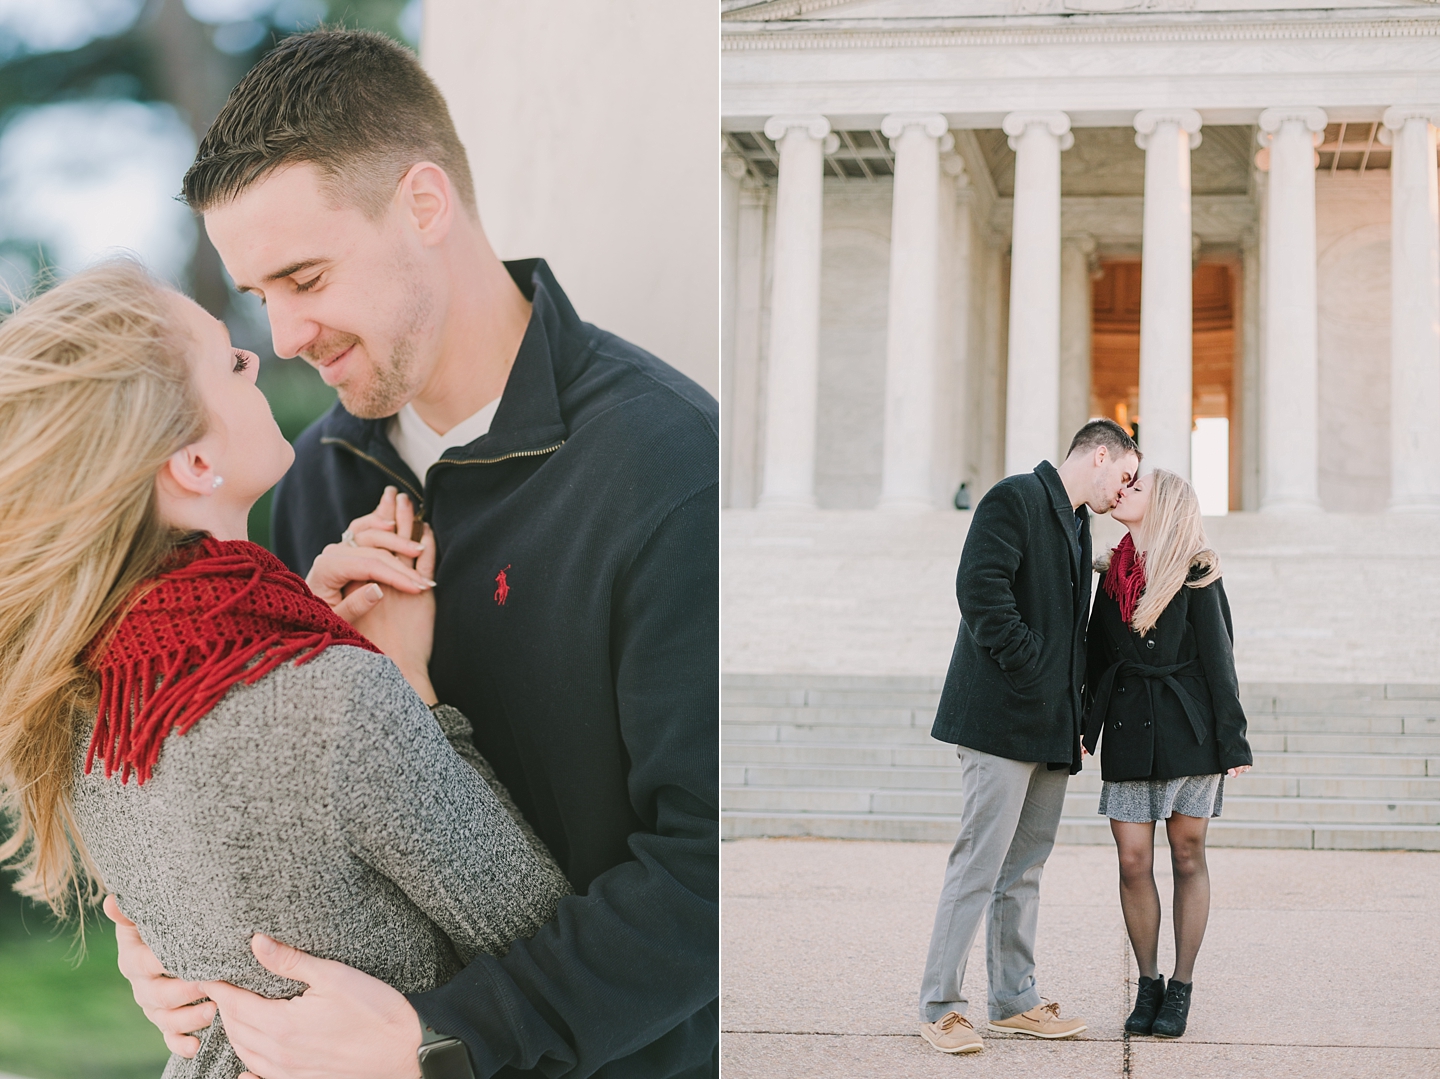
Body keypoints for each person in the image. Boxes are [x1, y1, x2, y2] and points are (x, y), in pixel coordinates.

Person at [109, 29, 719, 1079]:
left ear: (424, 205)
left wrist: (445, 1038)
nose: (287, 334)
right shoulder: (313, 481)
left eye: (304, 275)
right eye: (261, 296)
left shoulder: (668, 467)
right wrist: (174, 946)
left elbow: (707, 871)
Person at [0, 260, 572, 1079]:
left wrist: (306, 624)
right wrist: (405, 676)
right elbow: (533, 932)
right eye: (229, 360)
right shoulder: (332, 700)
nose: (259, 357)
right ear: (194, 464)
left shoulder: (88, 698)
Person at [918, 419, 1140, 1056]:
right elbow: (979, 591)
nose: (1122, 491)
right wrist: (1032, 668)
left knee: (1025, 868)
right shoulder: (1013, 498)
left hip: (1050, 729)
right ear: (1100, 455)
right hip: (999, 717)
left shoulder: (1078, 523)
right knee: (979, 862)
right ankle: (941, 1006)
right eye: (1123, 476)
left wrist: (1072, 710)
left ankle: (1014, 1001)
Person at [1082, 468, 1253, 1039]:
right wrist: (1084, 728)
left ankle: (1180, 987)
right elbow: (1096, 658)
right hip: (1130, 726)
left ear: (1165, 505)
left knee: (1187, 855)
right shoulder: (1111, 574)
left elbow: (1219, 659)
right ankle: (1147, 982)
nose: (1122, 490)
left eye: (1137, 487)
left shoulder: (1198, 572)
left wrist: (1233, 739)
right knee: (1132, 859)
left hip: (1190, 731)